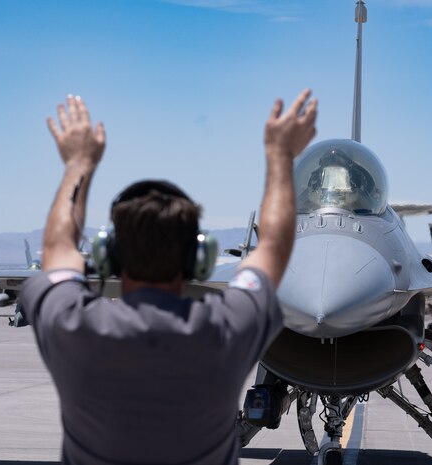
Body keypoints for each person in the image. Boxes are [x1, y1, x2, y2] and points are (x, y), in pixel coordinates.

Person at [20, 90, 318, 465]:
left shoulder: (70, 323)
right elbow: (273, 245)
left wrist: (79, 163)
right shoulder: (228, 326)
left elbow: (59, 248)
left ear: (108, 256)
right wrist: (280, 156)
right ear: (200, 258)